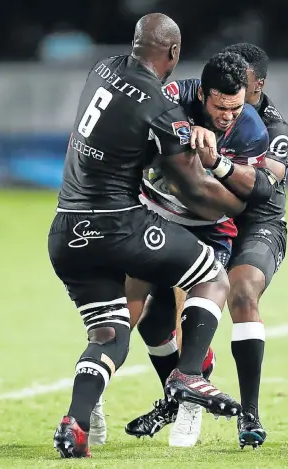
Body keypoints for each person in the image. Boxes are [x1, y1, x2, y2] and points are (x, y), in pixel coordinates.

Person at [48, 13, 246, 459]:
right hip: (116, 224)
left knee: (110, 334)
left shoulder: (103, 68)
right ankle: (188, 373)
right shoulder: (160, 105)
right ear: (174, 53)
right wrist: (241, 204)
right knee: (212, 274)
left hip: (65, 231)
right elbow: (194, 189)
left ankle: (75, 423)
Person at [121, 44, 288, 449]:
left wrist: (216, 164)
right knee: (154, 317)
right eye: (220, 95)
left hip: (256, 221)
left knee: (241, 291)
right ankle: (177, 397)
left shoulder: (270, 127)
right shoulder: (189, 99)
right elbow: (152, 111)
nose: (229, 110)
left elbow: (264, 191)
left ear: (256, 85)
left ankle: (248, 415)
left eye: (240, 88)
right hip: (199, 215)